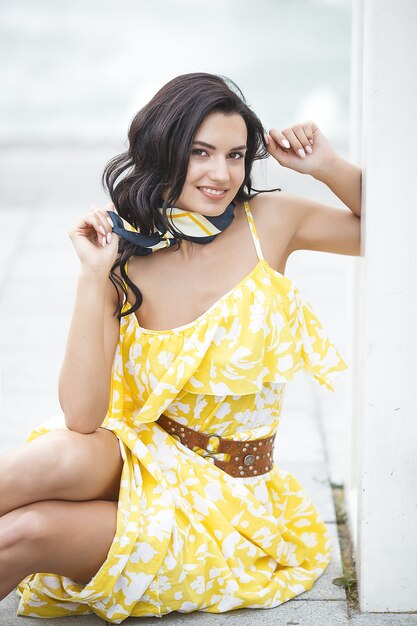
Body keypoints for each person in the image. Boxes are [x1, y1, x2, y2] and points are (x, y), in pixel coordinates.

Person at [0, 72, 360, 622]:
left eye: (236, 155)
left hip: (228, 504)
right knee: (56, 454)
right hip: (147, 458)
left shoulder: (272, 222)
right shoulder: (128, 256)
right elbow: (82, 416)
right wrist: (92, 278)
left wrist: (327, 167)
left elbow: (397, 228)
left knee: (24, 533)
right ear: (164, 148)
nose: (221, 174)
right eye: (201, 152)